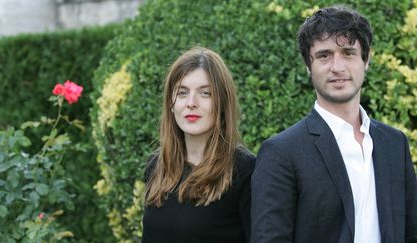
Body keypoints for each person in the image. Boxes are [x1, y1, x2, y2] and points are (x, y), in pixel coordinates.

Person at [251, 5, 417, 243]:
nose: (337, 67)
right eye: (324, 55)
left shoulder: (395, 143)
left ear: (366, 59)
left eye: (348, 53)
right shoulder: (281, 153)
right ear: (308, 66)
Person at [142, 46, 255, 243]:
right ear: (171, 103)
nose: (191, 103)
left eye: (205, 93)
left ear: (222, 103)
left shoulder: (244, 171)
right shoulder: (157, 166)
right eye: (182, 92)